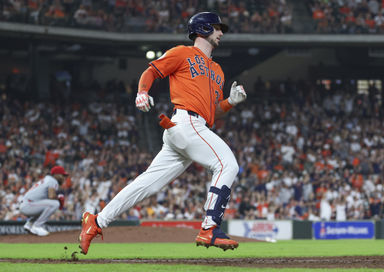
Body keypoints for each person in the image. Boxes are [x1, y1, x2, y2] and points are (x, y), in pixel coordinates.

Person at [79, 11, 247, 254]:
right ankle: (210, 227)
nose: (221, 33)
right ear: (204, 29)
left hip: (193, 127)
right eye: (218, 28)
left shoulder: (218, 71)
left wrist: (230, 101)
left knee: (147, 184)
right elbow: (151, 72)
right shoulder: (182, 52)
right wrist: (142, 92)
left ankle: (96, 221)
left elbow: (212, 112)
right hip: (186, 123)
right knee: (227, 164)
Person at [20, 166, 67, 236]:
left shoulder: (47, 179)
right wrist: (59, 198)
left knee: (46, 206)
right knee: (55, 204)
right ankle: (37, 226)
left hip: (27, 204)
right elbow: (51, 196)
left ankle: (29, 224)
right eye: (62, 175)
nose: (64, 177)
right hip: (29, 205)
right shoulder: (52, 180)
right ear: (56, 175)